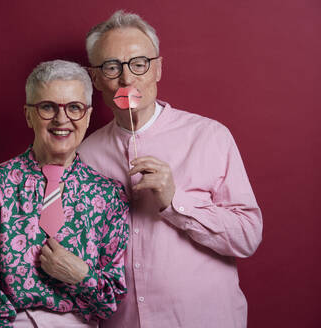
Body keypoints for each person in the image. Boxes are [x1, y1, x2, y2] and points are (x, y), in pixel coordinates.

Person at [78, 10, 263, 328]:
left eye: (139, 64)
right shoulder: (83, 155)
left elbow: (247, 237)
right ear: (95, 78)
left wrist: (174, 202)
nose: (127, 79)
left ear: (158, 68)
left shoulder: (209, 137)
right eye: (112, 67)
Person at [0, 60, 129, 328]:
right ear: (28, 114)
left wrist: (80, 275)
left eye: (74, 107)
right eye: (48, 107)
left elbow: (110, 301)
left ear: (88, 115)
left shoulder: (109, 195)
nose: (62, 119)